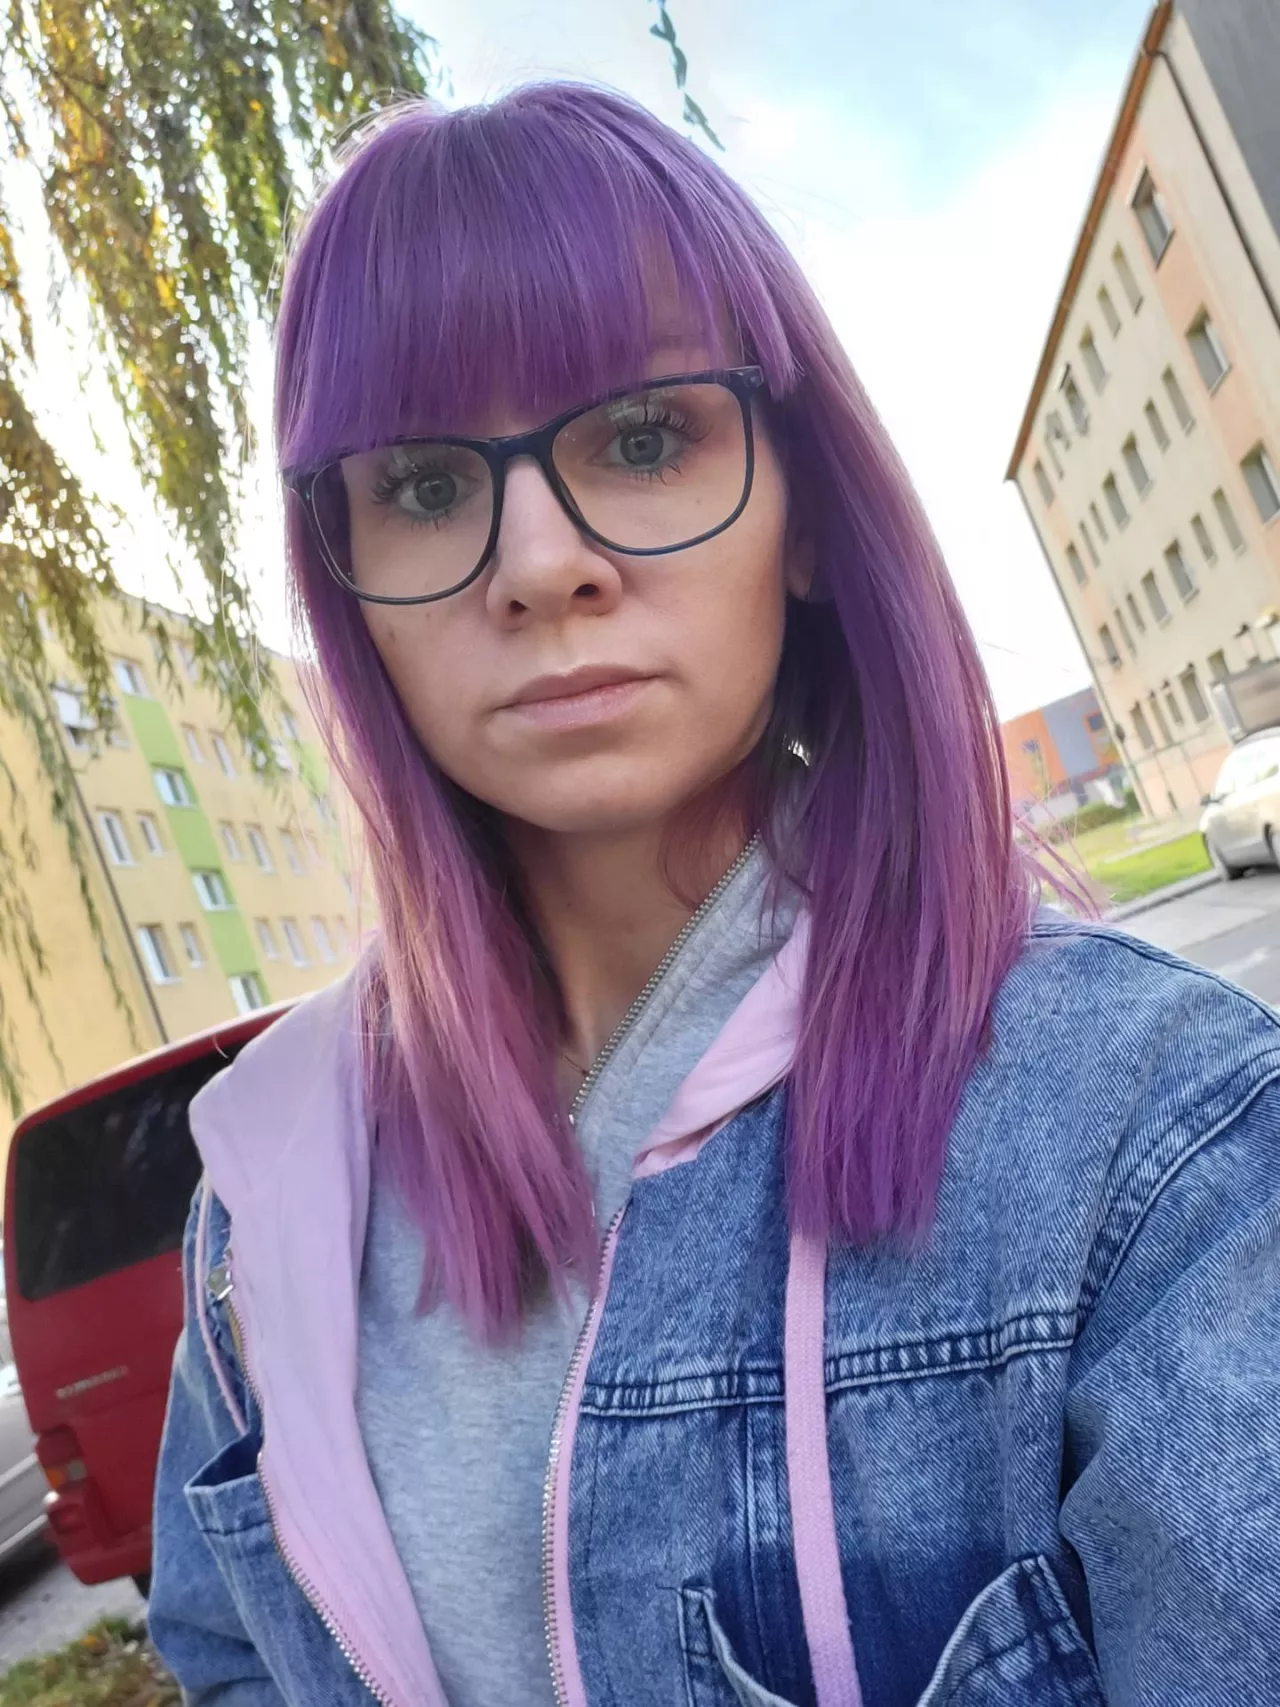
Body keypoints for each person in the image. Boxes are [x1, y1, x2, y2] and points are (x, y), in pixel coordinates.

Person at [147, 84, 1280, 1707]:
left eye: (642, 437)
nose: (538, 564)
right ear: (348, 583)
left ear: (802, 510)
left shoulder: (1148, 1140)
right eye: (425, 482)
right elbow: (230, 1655)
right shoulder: (268, 1192)